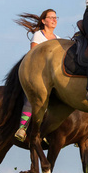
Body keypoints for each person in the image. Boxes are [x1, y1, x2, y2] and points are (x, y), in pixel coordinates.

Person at [14, 9, 60, 142]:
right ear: (44, 21)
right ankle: (22, 128)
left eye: (55, 17)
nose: (54, 20)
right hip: (38, 73)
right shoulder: (38, 35)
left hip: (52, 77)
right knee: (33, 97)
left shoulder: (59, 39)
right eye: (51, 17)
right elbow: (34, 55)